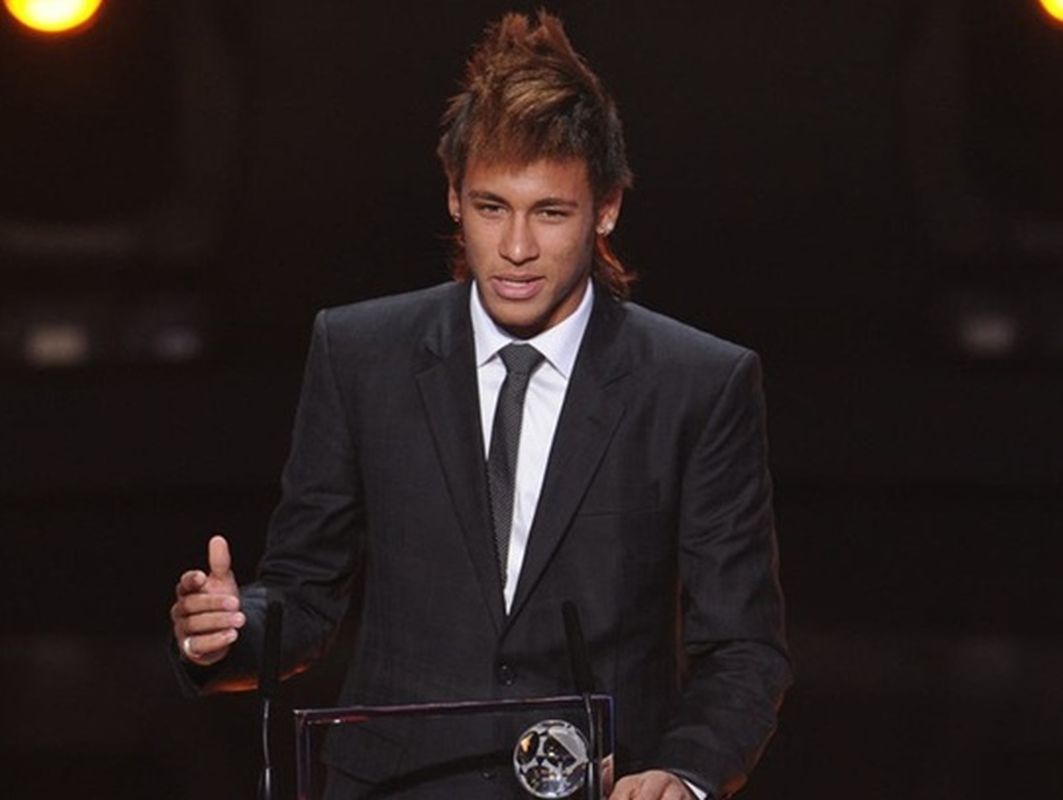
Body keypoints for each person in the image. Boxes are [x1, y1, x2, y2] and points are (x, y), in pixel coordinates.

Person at [170, 10, 791, 800]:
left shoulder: (695, 384)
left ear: (605, 208)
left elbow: (742, 647)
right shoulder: (361, 354)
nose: (516, 248)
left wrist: (683, 773)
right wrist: (226, 631)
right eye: (491, 207)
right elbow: (304, 594)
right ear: (454, 199)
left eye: (550, 212)